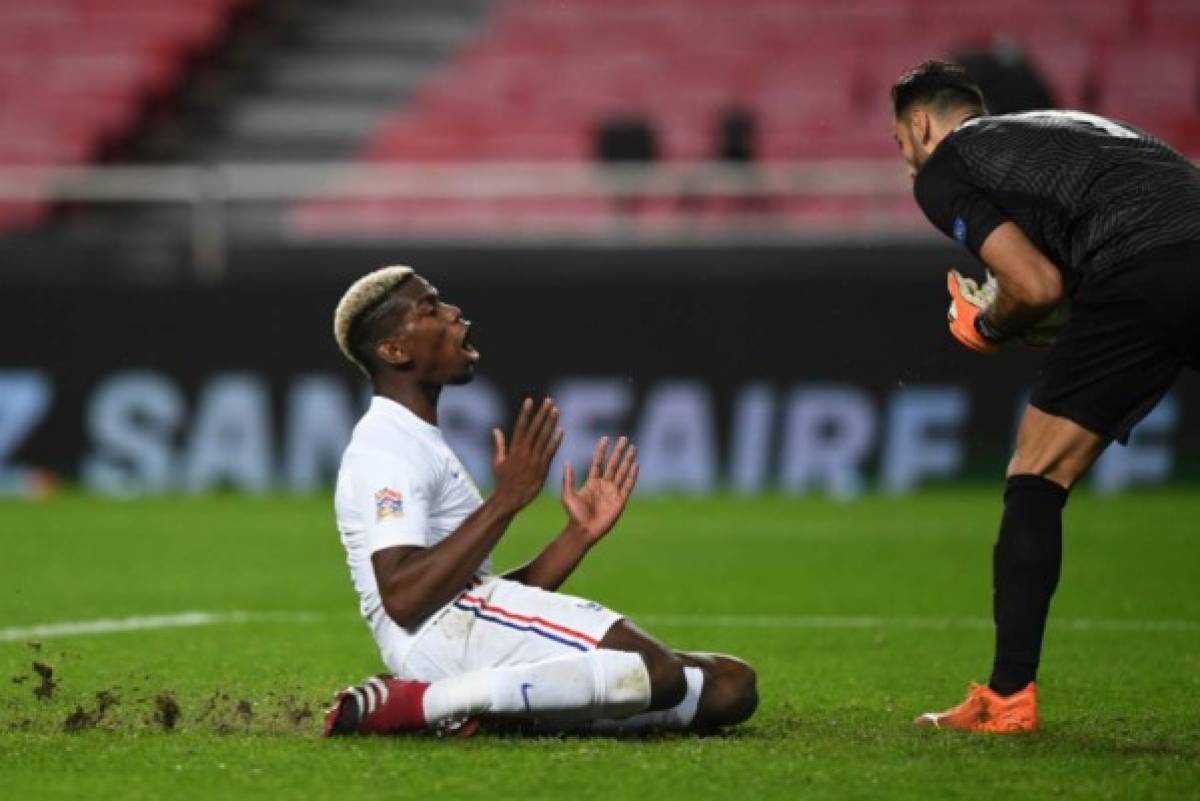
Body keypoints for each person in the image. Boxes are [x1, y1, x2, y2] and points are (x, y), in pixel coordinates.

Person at [891, 60, 1200, 732]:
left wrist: (989, 324)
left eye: (901, 146)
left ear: (919, 123)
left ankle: (1006, 700)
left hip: (1142, 267)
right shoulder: (1058, 129)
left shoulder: (946, 164)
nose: (908, 161)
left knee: (1036, 471)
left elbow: (1035, 287)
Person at [322, 265, 758, 737]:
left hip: (464, 631)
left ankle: (495, 712)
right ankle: (425, 703)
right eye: (431, 309)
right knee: (654, 671)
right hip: (435, 643)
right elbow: (405, 598)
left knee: (729, 686)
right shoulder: (388, 449)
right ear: (395, 350)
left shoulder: (418, 438)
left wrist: (576, 537)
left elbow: (477, 599)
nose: (453, 314)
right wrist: (505, 502)